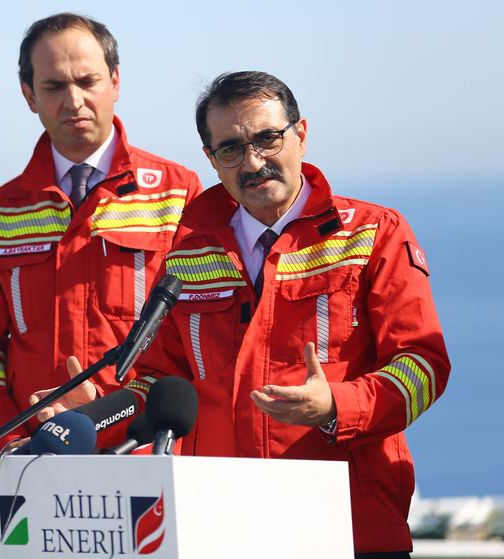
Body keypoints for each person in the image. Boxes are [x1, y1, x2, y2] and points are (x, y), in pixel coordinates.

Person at [127, 71, 450, 557]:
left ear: (300, 134)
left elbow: (423, 365)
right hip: (218, 528)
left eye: (267, 139)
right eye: (231, 149)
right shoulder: (185, 257)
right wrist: (99, 405)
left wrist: (337, 406)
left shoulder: (373, 232)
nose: (253, 161)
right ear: (211, 161)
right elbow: (159, 382)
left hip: (349, 526)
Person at [0, 13, 202, 455]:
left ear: (116, 82)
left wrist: (109, 416)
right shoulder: (4, 207)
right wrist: (7, 442)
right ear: (29, 95)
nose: (74, 100)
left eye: (88, 81)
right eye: (54, 86)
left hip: (145, 455)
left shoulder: (179, 193)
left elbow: (197, 341)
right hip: (36, 460)